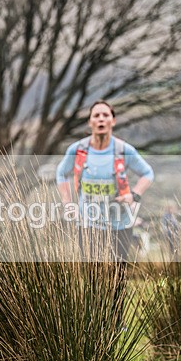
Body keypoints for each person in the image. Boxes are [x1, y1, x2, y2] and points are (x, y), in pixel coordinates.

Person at [56, 100, 154, 262]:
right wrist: (67, 203)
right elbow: (61, 173)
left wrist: (133, 195)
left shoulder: (123, 150)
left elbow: (147, 173)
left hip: (120, 223)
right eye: (96, 115)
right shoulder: (77, 150)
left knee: (117, 277)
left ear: (113, 121)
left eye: (105, 115)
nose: (101, 119)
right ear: (90, 122)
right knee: (93, 278)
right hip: (87, 224)